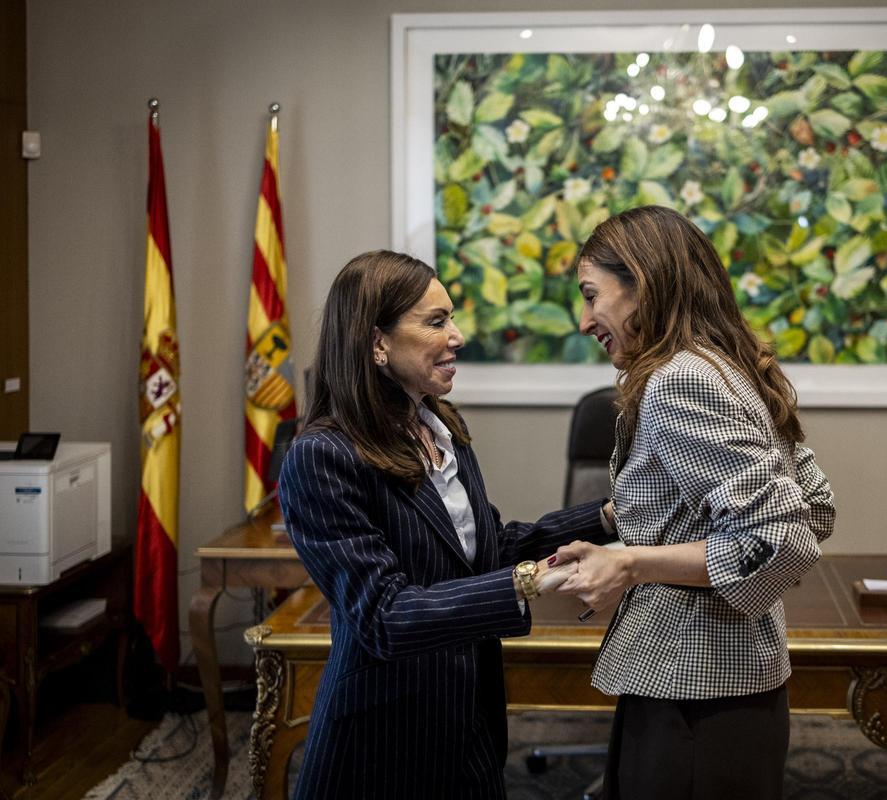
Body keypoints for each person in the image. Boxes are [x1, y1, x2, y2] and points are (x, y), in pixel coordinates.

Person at [277, 250, 613, 799]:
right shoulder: (322, 456)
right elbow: (385, 615)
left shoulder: (441, 425)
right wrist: (526, 582)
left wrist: (606, 516)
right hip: (383, 742)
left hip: (469, 720)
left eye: (451, 318)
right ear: (377, 342)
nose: (457, 336)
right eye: (436, 322)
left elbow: (488, 549)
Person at [554, 206, 836, 800]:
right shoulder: (728, 365)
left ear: (642, 285)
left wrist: (630, 563)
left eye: (590, 296)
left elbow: (783, 539)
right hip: (730, 684)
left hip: (697, 697)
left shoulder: (678, 380)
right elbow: (815, 504)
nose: (584, 321)